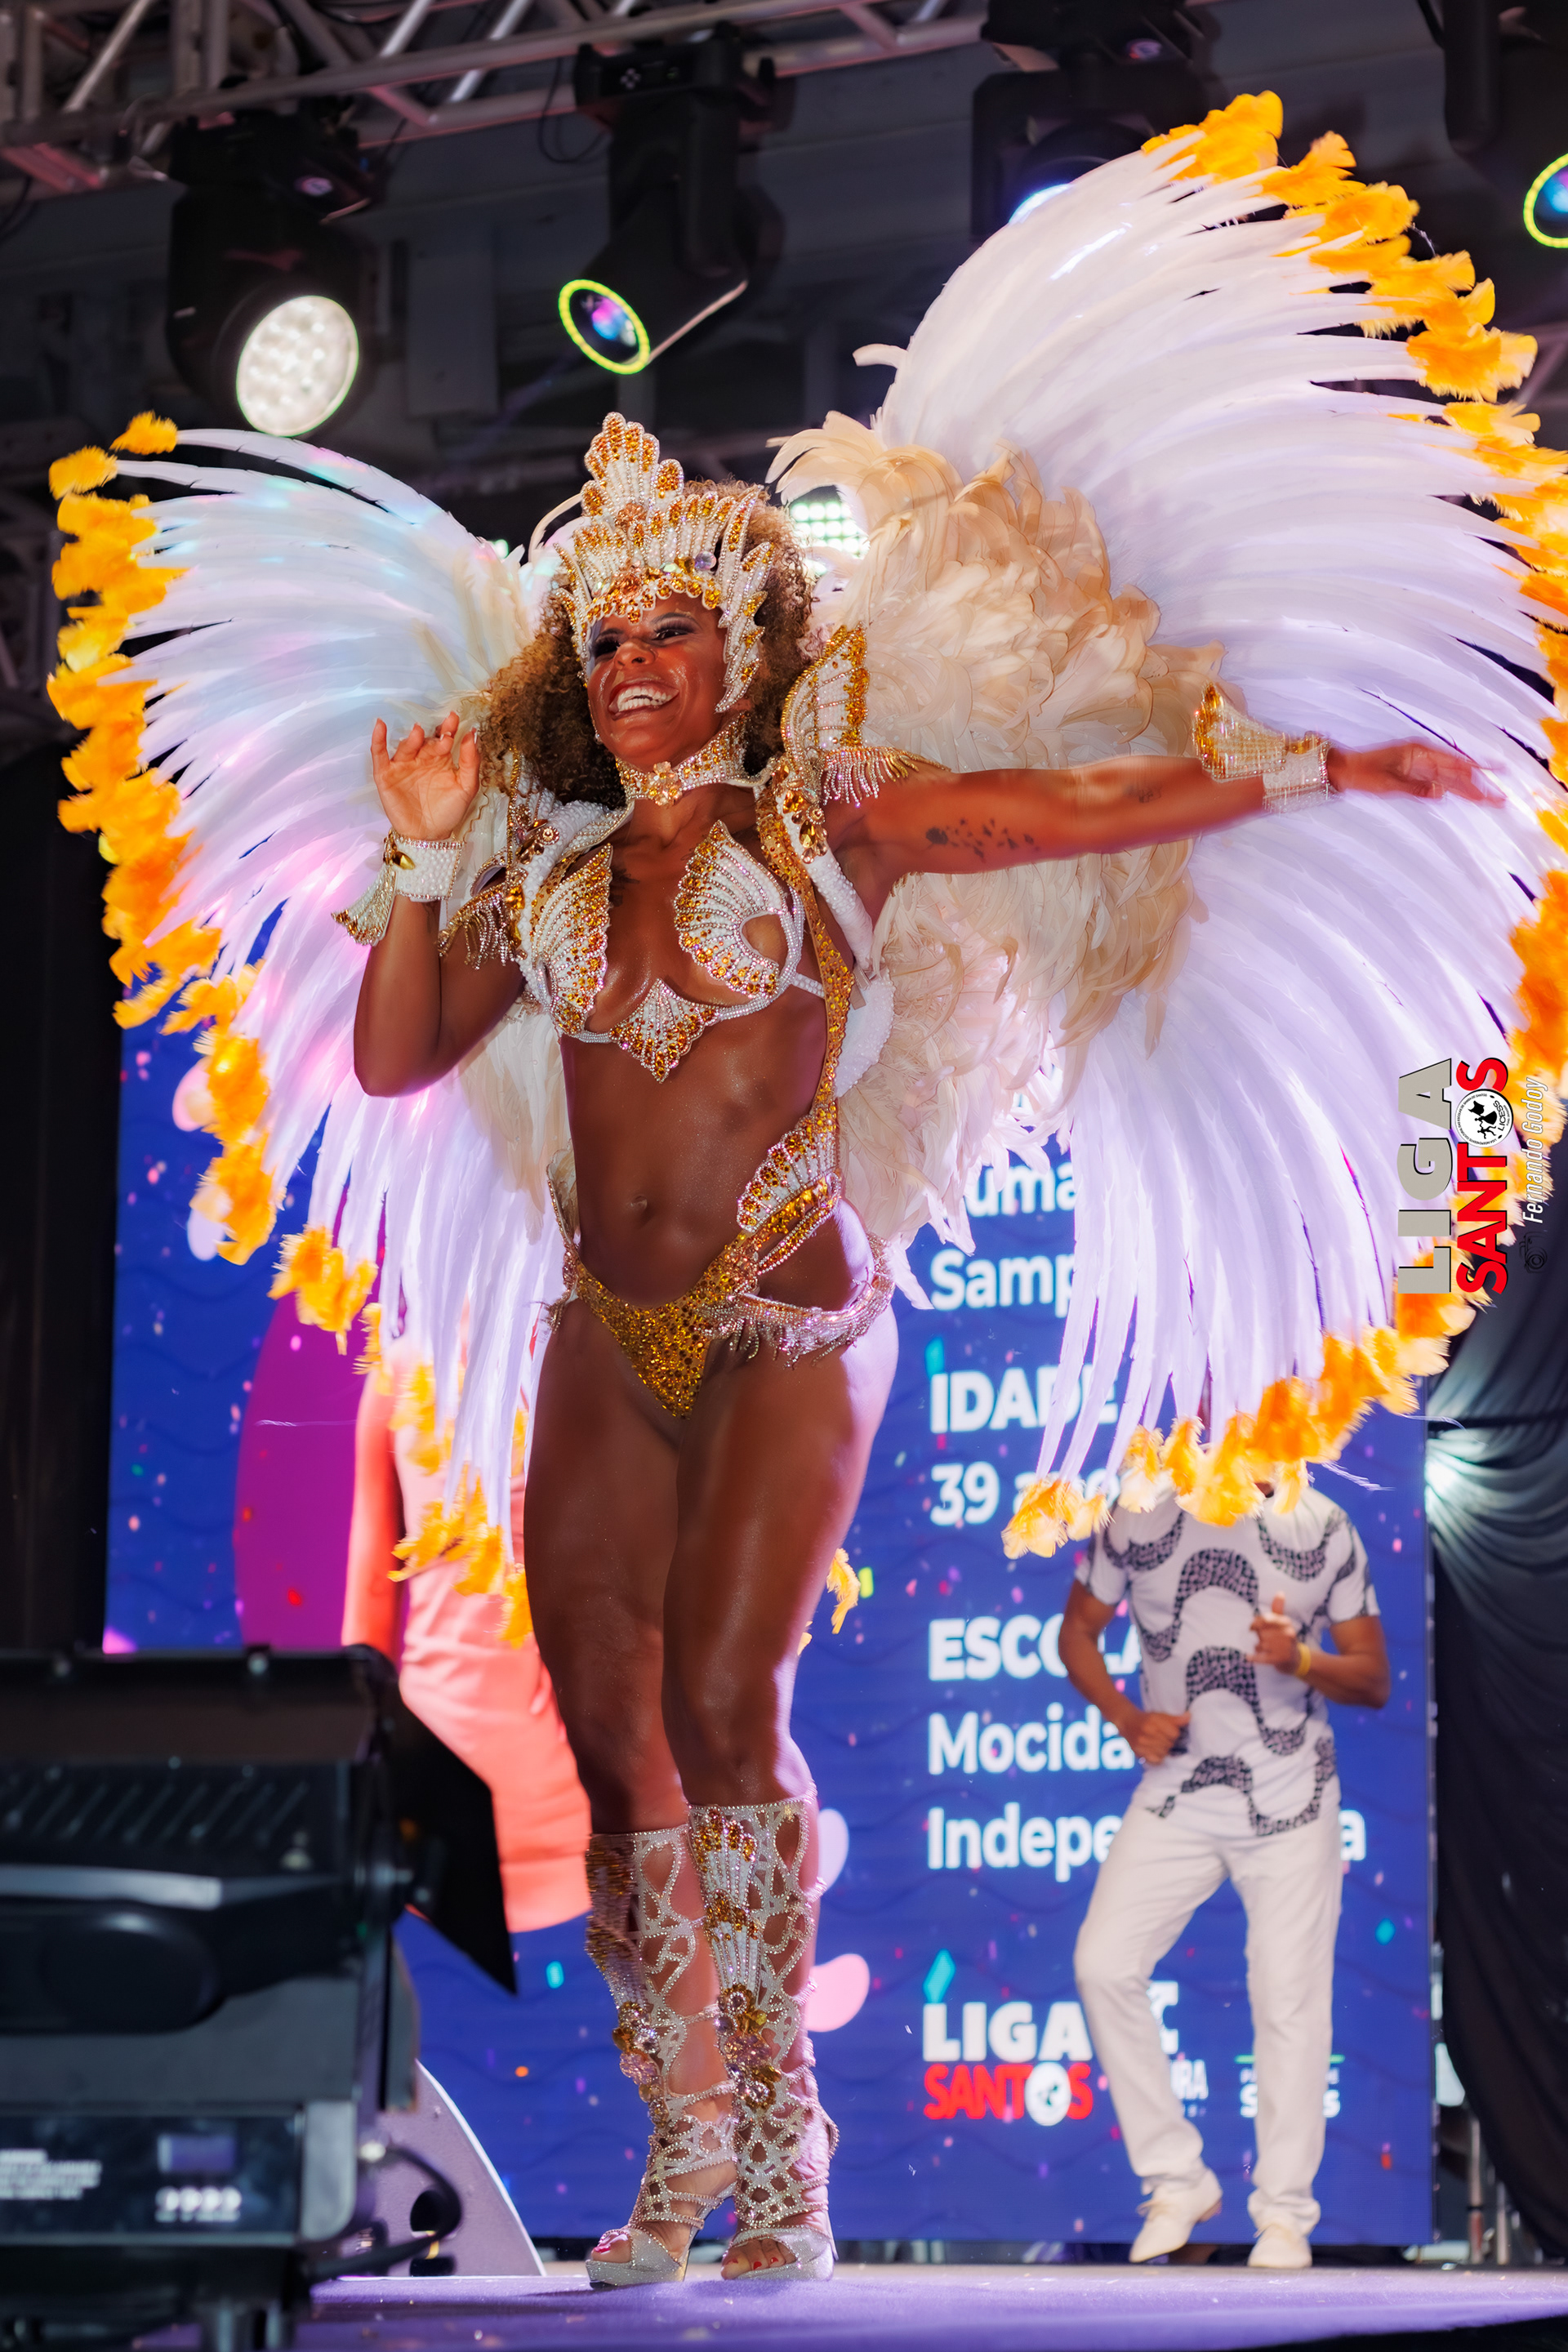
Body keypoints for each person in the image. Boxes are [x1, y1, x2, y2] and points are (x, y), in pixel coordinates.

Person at [51, 92, 1561, 2292]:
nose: (632, 668)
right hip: (605, 1327)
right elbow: (393, 1050)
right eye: (605, 642)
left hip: (789, 1308)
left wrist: (1320, 766)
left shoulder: (833, 821)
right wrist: (419, 851)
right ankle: (681, 2142)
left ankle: (785, 2149)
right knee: (606, 1735)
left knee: (723, 1707)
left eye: (669, 633)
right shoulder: (548, 870)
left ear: (741, 647)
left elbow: (1071, 809)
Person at [1062, 1484, 1389, 2270]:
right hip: (1179, 1789)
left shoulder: (1321, 1524)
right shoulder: (1136, 1512)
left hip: (1292, 1797)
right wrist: (1125, 1717)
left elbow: (1374, 1678)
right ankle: (1178, 2183)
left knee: (1289, 2002)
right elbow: (1076, 1633)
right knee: (1103, 1963)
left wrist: (1301, 1658)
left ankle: (1285, 2216)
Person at [342, 1334, 591, 1935]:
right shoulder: (600, 1351)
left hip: (455, 1813)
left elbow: (368, 1617)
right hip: (560, 1809)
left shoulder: (400, 1371)